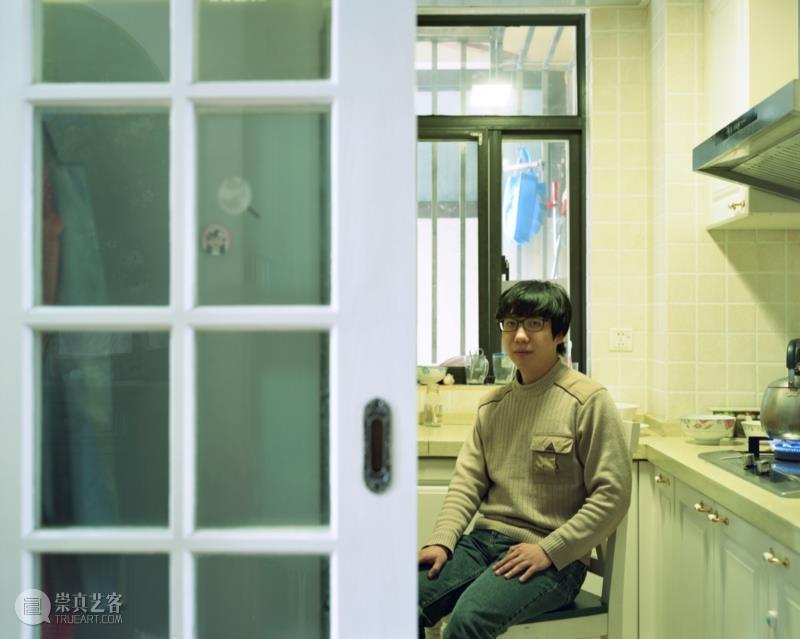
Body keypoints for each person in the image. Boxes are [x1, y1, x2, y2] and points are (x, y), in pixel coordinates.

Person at [417, 280, 632, 639]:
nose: (519, 335)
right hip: (481, 544)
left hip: (553, 559)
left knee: (468, 620)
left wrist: (550, 549)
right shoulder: (492, 406)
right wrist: (442, 540)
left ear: (559, 333)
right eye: (511, 324)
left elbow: (613, 495)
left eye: (534, 324)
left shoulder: (588, 401)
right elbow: (466, 484)